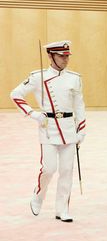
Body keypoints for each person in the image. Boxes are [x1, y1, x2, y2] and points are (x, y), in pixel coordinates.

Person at [10, 40, 86, 223]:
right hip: (48, 128)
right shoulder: (38, 76)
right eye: (61, 56)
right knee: (49, 168)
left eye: (67, 56)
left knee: (67, 170)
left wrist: (81, 130)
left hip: (68, 127)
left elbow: (80, 106)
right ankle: (38, 195)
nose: (65, 59)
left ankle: (62, 209)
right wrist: (33, 114)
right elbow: (15, 94)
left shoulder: (74, 78)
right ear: (50, 56)